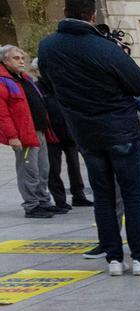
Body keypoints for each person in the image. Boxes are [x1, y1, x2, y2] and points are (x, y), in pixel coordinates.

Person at [37, 0, 140, 275]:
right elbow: (139, 84)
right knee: (132, 195)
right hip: (118, 128)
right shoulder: (104, 47)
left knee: (103, 195)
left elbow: (50, 84)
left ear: (65, 13)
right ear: (92, 14)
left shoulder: (48, 46)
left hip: (84, 132)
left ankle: (114, 259)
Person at [0, 45, 57, 218]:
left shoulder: (24, 78)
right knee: (29, 171)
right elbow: (2, 114)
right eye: (16, 58)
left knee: (43, 169)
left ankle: (43, 201)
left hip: (39, 130)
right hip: (23, 134)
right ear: (5, 60)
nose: (21, 61)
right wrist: (12, 136)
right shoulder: (3, 81)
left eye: (22, 58)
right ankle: (32, 205)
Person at [32, 59, 91, 210]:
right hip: (51, 134)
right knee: (53, 169)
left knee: (75, 165)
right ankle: (59, 200)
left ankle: (79, 195)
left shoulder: (61, 85)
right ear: (37, 71)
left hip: (69, 131)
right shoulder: (37, 88)